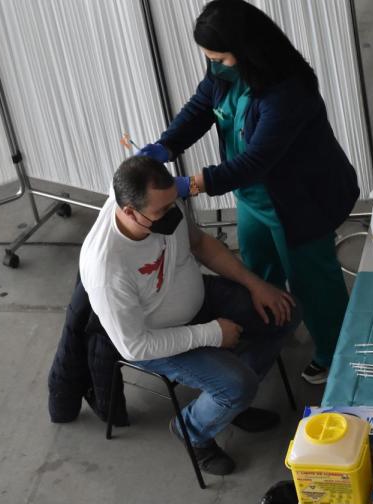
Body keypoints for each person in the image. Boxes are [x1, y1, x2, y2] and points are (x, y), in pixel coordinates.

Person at [137, 0, 358, 385]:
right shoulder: (226, 69)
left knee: (313, 282)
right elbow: (202, 104)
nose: (214, 65)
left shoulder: (288, 90)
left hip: (299, 201)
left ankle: (333, 351)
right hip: (254, 199)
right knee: (257, 272)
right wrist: (168, 145)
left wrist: (190, 185)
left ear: (247, 49)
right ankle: (275, 333)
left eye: (219, 57)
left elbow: (256, 161)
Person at [79, 156, 300, 476]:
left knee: (284, 313)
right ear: (128, 212)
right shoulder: (106, 268)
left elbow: (200, 244)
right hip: (156, 337)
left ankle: (231, 400)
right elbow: (135, 347)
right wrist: (212, 334)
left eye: (174, 204)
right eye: (161, 212)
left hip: (198, 298)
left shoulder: (157, 202)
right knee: (237, 385)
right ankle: (193, 431)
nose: (172, 215)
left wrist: (256, 285)